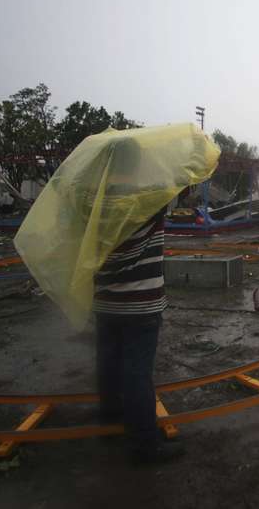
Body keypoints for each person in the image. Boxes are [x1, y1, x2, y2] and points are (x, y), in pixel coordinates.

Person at [92, 137, 184, 465]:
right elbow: (183, 179)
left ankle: (109, 420)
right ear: (137, 165)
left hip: (104, 299)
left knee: (108, 363)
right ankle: (145, 445)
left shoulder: (95, 199)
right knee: (136, 372)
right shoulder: (150, 196)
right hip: (141, 301)